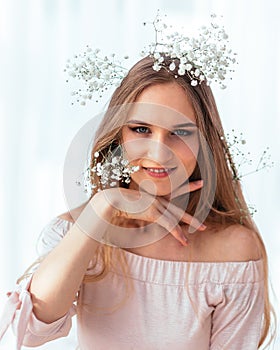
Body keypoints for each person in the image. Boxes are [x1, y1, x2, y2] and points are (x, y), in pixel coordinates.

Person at [0, 27, 276, 349]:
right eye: (141, 129)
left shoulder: (233, 252)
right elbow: (34, 328)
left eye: (181, 133)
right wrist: (105, 205)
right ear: (119, 135)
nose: (159, 153)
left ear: (204, 142)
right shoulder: (77, 232)